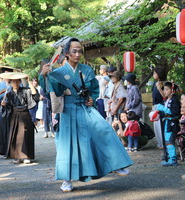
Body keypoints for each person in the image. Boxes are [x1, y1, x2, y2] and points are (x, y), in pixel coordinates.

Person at [40, 38, 132, 192]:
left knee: (104, 129)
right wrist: (44, 76)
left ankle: (115, 164)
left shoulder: (87, 70)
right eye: (74, 51)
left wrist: (91, 99)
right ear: (67, 53)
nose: (77, 54)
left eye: (79, 51)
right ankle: (66, 180)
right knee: (67, 145)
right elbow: (52, 91)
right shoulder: (58, 72)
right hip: (68, 109)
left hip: (85, 106)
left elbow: (94, 89)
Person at [0, 72, 39, 164]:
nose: (15, 84)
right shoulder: (9, 93)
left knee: (25, 135)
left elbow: (35, 95)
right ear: (10, 83)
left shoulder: (26, 90)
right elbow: (8, 107)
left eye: (17, 82)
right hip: (14, 115)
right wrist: (4, 104)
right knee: (15, 136)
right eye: (13, 82)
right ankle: (17, 157)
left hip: (25, 115)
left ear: (20, 82)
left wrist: (28, 81)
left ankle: (26, 156)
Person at [155, 81, 181, 166]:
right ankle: (169, 158)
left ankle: (173, 159)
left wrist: (163, 109)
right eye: (164, 89)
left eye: (166, 89)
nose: (165, 91)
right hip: (166, 122)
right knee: (166, 141)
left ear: (172, 90)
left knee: (170, 141)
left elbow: (175, 112)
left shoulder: (174, 100)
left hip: (172, 123)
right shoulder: (166, 100)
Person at [152, 67, 166, 149]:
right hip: (155, 105)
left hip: (161, 105)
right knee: (156, 125)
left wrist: (159, 88)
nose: (153, 75)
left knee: (161, 124)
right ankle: (159, 143)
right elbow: (153, 95)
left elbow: (165, 96)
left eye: (155, 73)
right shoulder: (154, 83)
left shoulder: (164, 84)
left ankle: (163, 143)